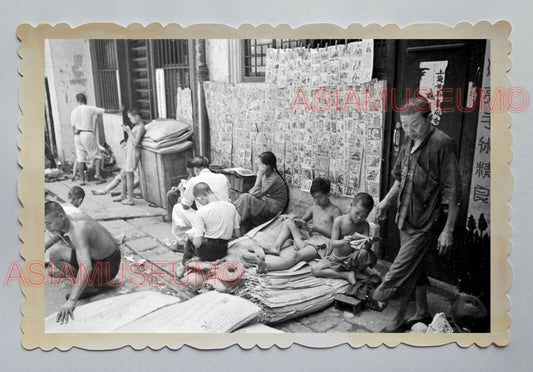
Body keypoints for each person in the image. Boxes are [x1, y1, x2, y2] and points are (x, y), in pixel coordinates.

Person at [372, 96, 461, 333]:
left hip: (425, 222)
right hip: (404, 217)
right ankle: (421, 311)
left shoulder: (443, 143)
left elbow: (453, 192)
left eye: (415, 125)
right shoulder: (408, 139)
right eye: (405, 126)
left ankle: (389, 308)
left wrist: (448, 230)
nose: (410, 130)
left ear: (428, 119)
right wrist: (385, 202)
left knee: (401, 270)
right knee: (415, 267)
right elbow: (400, 178)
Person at [45, 201, 122, 324]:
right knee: (55, 254)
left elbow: (86, 267)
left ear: (60, 216)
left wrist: (71, 300)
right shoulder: (70, 220)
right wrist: (44, 246)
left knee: (58, 256)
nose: (47, 228)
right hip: (105, 259)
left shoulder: (78, 231)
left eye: (48, 223)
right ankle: (82, 281)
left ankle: (93, 285)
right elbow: (59, 232)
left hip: (106, 268)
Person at [242, 178, 341, 273]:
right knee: (288, 222)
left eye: (319, 197)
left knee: (296, 256)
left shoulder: (335, 211)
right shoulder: (315, 207)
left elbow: (338, 237)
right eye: (314, 197)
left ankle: (267, 267)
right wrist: (297, 221)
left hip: (322, 245)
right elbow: (302, 220)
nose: (316, 200)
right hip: (310, 241)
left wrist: (318, 229)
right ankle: (276, 247)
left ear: (328, 194)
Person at [310, 192, 378, 285]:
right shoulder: (339, 221)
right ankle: (346, 275)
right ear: (351, 205)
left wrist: (368, 244)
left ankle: (356, 272)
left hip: (352, 259)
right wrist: (343, 241)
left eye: (364, 216)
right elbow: (333, 243)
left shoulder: (364, 225)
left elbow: (364, 248)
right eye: (357, 213)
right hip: (336, 259)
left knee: (365, 253)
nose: (359, 218)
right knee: (315, 269)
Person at [177, 182, 240, 276]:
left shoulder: (202, 212)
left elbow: (197, 244)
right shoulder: (231, 207)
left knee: (191, 239)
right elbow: (237, 234)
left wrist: (196, 237)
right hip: (223, 250)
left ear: (199, 198)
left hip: (208, 253)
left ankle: (183, 267)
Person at [171, 156, 230, 247]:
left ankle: (182, 242)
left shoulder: (194, 180)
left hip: (208, 221)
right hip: (226, 219)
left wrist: (182, 191)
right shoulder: (222, 177)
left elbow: (185, 206)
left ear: (195, 169)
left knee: (177, 208)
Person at [91, 108, 145, 205]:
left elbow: (136, 143)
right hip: (130, 153)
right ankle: (123, 196)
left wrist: (128, 131)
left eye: (131, 118)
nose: (130, 120)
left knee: (129, 176)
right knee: (123, 175)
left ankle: (130, 199)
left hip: (133, 153)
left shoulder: (140, 127)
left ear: (137, 117)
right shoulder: (137, 126)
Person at [234, 151, 288, 232]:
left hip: (273, 207)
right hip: (265, 201)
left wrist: (259, 175)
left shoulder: (274, 178)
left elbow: (254, 193)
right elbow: (254, 192)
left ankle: (236, 225)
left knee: (246, 198)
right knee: (243, 200)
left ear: (267, 166)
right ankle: (236, 222)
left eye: (260, 165)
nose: (258, 167)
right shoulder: (266, 175)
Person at [70, 93, 106, 184]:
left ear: (77, 100)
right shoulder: (89, 108)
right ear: (85, 99)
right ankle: (97, 174)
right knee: (97, 155)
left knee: (80, 158)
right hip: (87, 134)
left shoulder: (74, 111)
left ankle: (82, 180)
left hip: (77, 135)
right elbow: (104, 111)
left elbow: (73, 128)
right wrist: (119, 110)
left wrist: (75, 132)